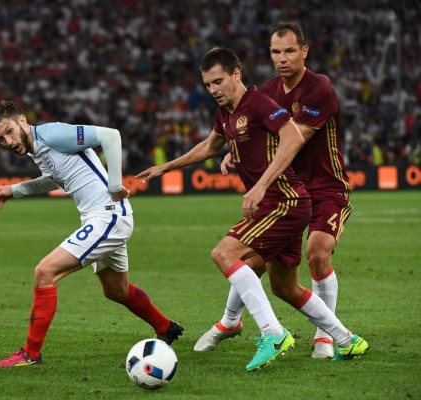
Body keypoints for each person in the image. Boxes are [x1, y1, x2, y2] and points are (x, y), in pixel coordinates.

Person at [136, 47, 368, 371]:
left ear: (236, 74)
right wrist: (166, 167)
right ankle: (346, 339)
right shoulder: (226, 112)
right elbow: (210, 145)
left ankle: (272, 333)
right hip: (283, 203)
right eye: (207, 85)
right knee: (284, 287)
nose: (213, 90)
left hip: (284, 200)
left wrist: (260, 186)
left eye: (218, 81)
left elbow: (292, 138)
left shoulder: (259, 104)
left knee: (225, 254)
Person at [195, 22, 355, 359]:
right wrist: (235, 147)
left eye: (289, 51)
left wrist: (240, 143)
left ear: (304, 51)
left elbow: (293, 136)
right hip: (289, 188)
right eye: (275, 52)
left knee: (317, 251)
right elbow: (251, 129)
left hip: (325, 186)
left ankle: (324, 337)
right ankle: (230, 321)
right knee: (254, 263)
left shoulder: (319, 89)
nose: (281, 58)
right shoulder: (268, 90)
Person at [0, 100, 183, 367]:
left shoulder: (51, 133)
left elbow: (109, 136)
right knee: (116, 290)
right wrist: (14, 190)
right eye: (0, 139)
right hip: (101, 217)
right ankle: (166, 328)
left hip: (108, 215)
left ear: (21, 120)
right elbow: (55, 178)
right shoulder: (37, 148)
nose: (7, 141)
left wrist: (115, 184)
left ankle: (30, 353)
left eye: (9, 131)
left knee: (45, 272)